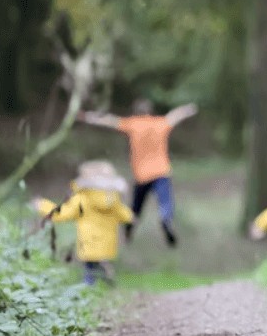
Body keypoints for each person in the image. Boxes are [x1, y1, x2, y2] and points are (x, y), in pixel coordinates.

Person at [76, 99, 198, 247]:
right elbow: (174, 116)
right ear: (150, 111)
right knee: (165, 202)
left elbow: (109, 121)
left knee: (135, 208)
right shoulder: (160, 123)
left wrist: (87, 116)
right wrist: (188, 109)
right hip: (161, 172)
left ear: (135, 112)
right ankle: (166, 219)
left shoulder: (132, 124)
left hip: (142, 176)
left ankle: (128, 231)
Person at [31, 160, 135, 285]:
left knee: (89, 268)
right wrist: (131, 218)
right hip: (107, 242)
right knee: (100, 261)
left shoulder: (82, 199)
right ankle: (104, 276)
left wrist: (42, 205)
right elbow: (124, 214)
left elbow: (61, 213)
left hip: (89, 241)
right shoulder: (113, 199)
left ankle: (90, 285)